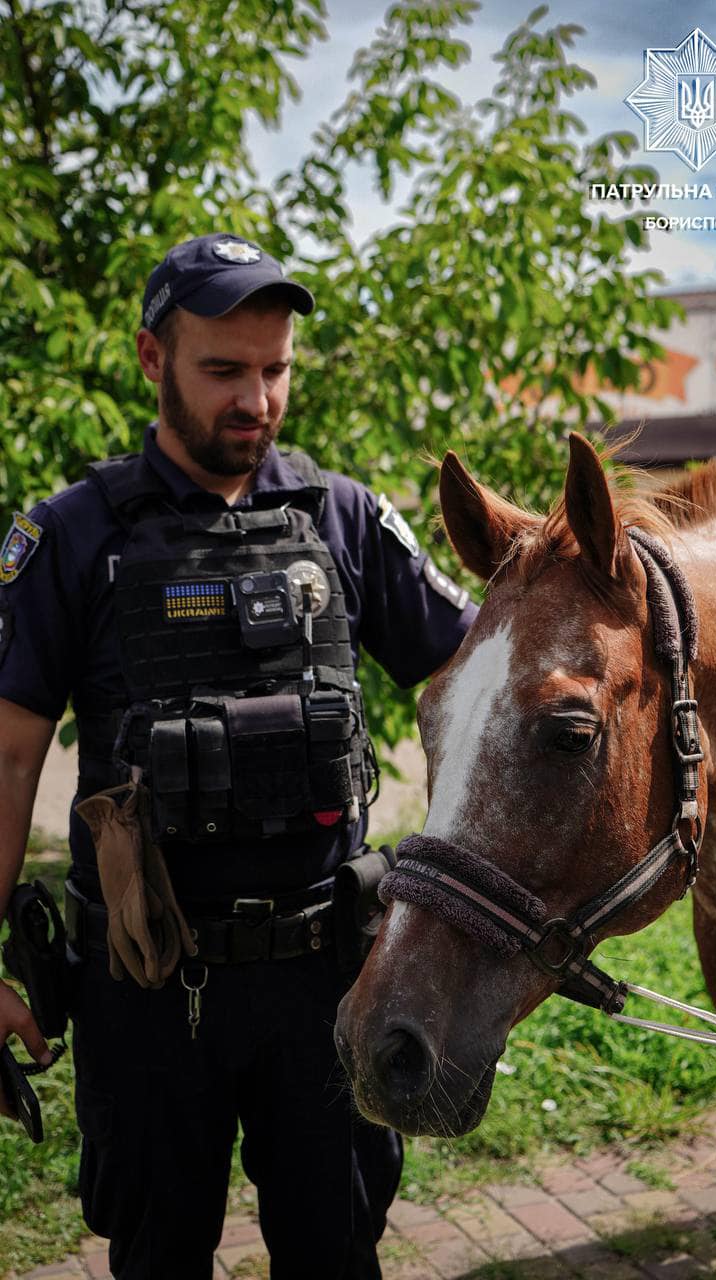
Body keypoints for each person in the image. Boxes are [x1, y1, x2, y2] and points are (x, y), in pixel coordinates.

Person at [0, 232, 477, 1279]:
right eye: (224, 369)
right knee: (159, 1252)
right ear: (149, 359)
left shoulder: (344, 518)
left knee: (337, 1247)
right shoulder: (73, 536)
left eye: (276, 369)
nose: (256, 397)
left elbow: (471, 674)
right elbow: (7, 756)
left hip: (327, 979)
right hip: (146, 984)